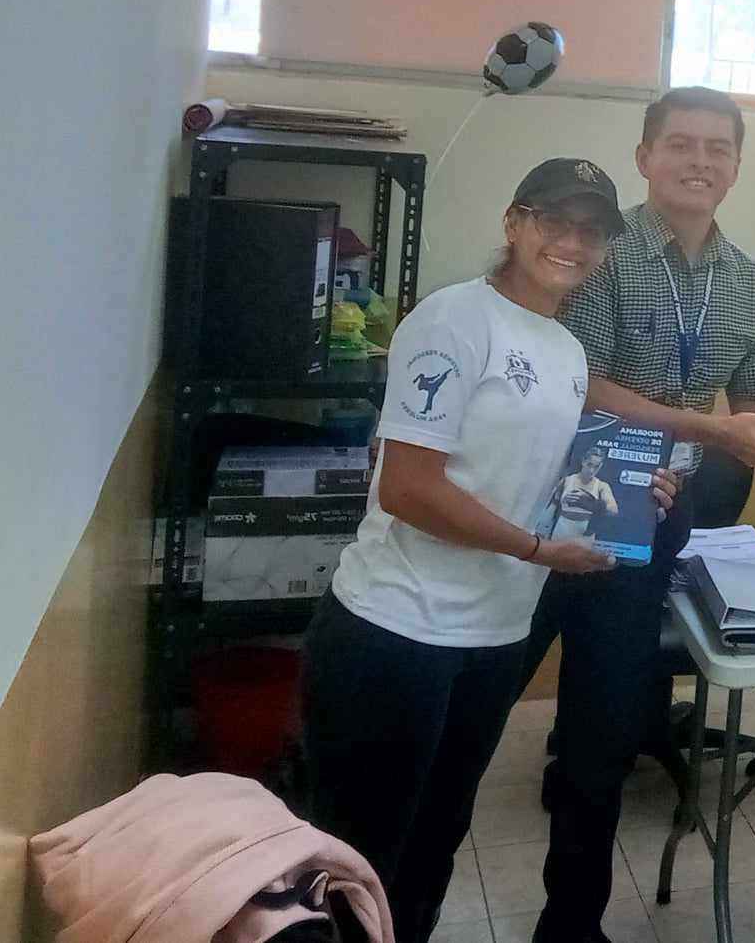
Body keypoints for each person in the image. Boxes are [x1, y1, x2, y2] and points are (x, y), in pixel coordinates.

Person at [300, 158, 679, 943]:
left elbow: (541, 474)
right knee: (359, 864)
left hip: (495, 637)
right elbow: (408, 488)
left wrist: (633, 488)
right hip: (398, 632)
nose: (572, 242)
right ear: (514, 222)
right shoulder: (454, 320)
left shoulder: (565, 350)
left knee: (434, 842)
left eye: (592, 231)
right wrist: (537, 550)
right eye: (554, 221)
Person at [517, 86, 755, 943]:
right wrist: (710, 429)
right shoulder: (602, 252)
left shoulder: (751, 286)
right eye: (680, 143)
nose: (698, 161)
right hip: (544, 503)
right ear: (645, 157)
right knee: (480, 699)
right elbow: (581, 384)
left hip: (653, 515)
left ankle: (571, 927)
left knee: (602, 735)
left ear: (737, 165)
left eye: (718, 147)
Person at [546, 444, 617, 540]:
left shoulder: (602, 486)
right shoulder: (567, 480)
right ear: (583, 462)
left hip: (584, 533)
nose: (591, 470)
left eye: (596, 467)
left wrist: (592, 504)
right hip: (562, 529)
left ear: (600, 466)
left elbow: (613, 510)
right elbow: (551, 506)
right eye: (589, 465)